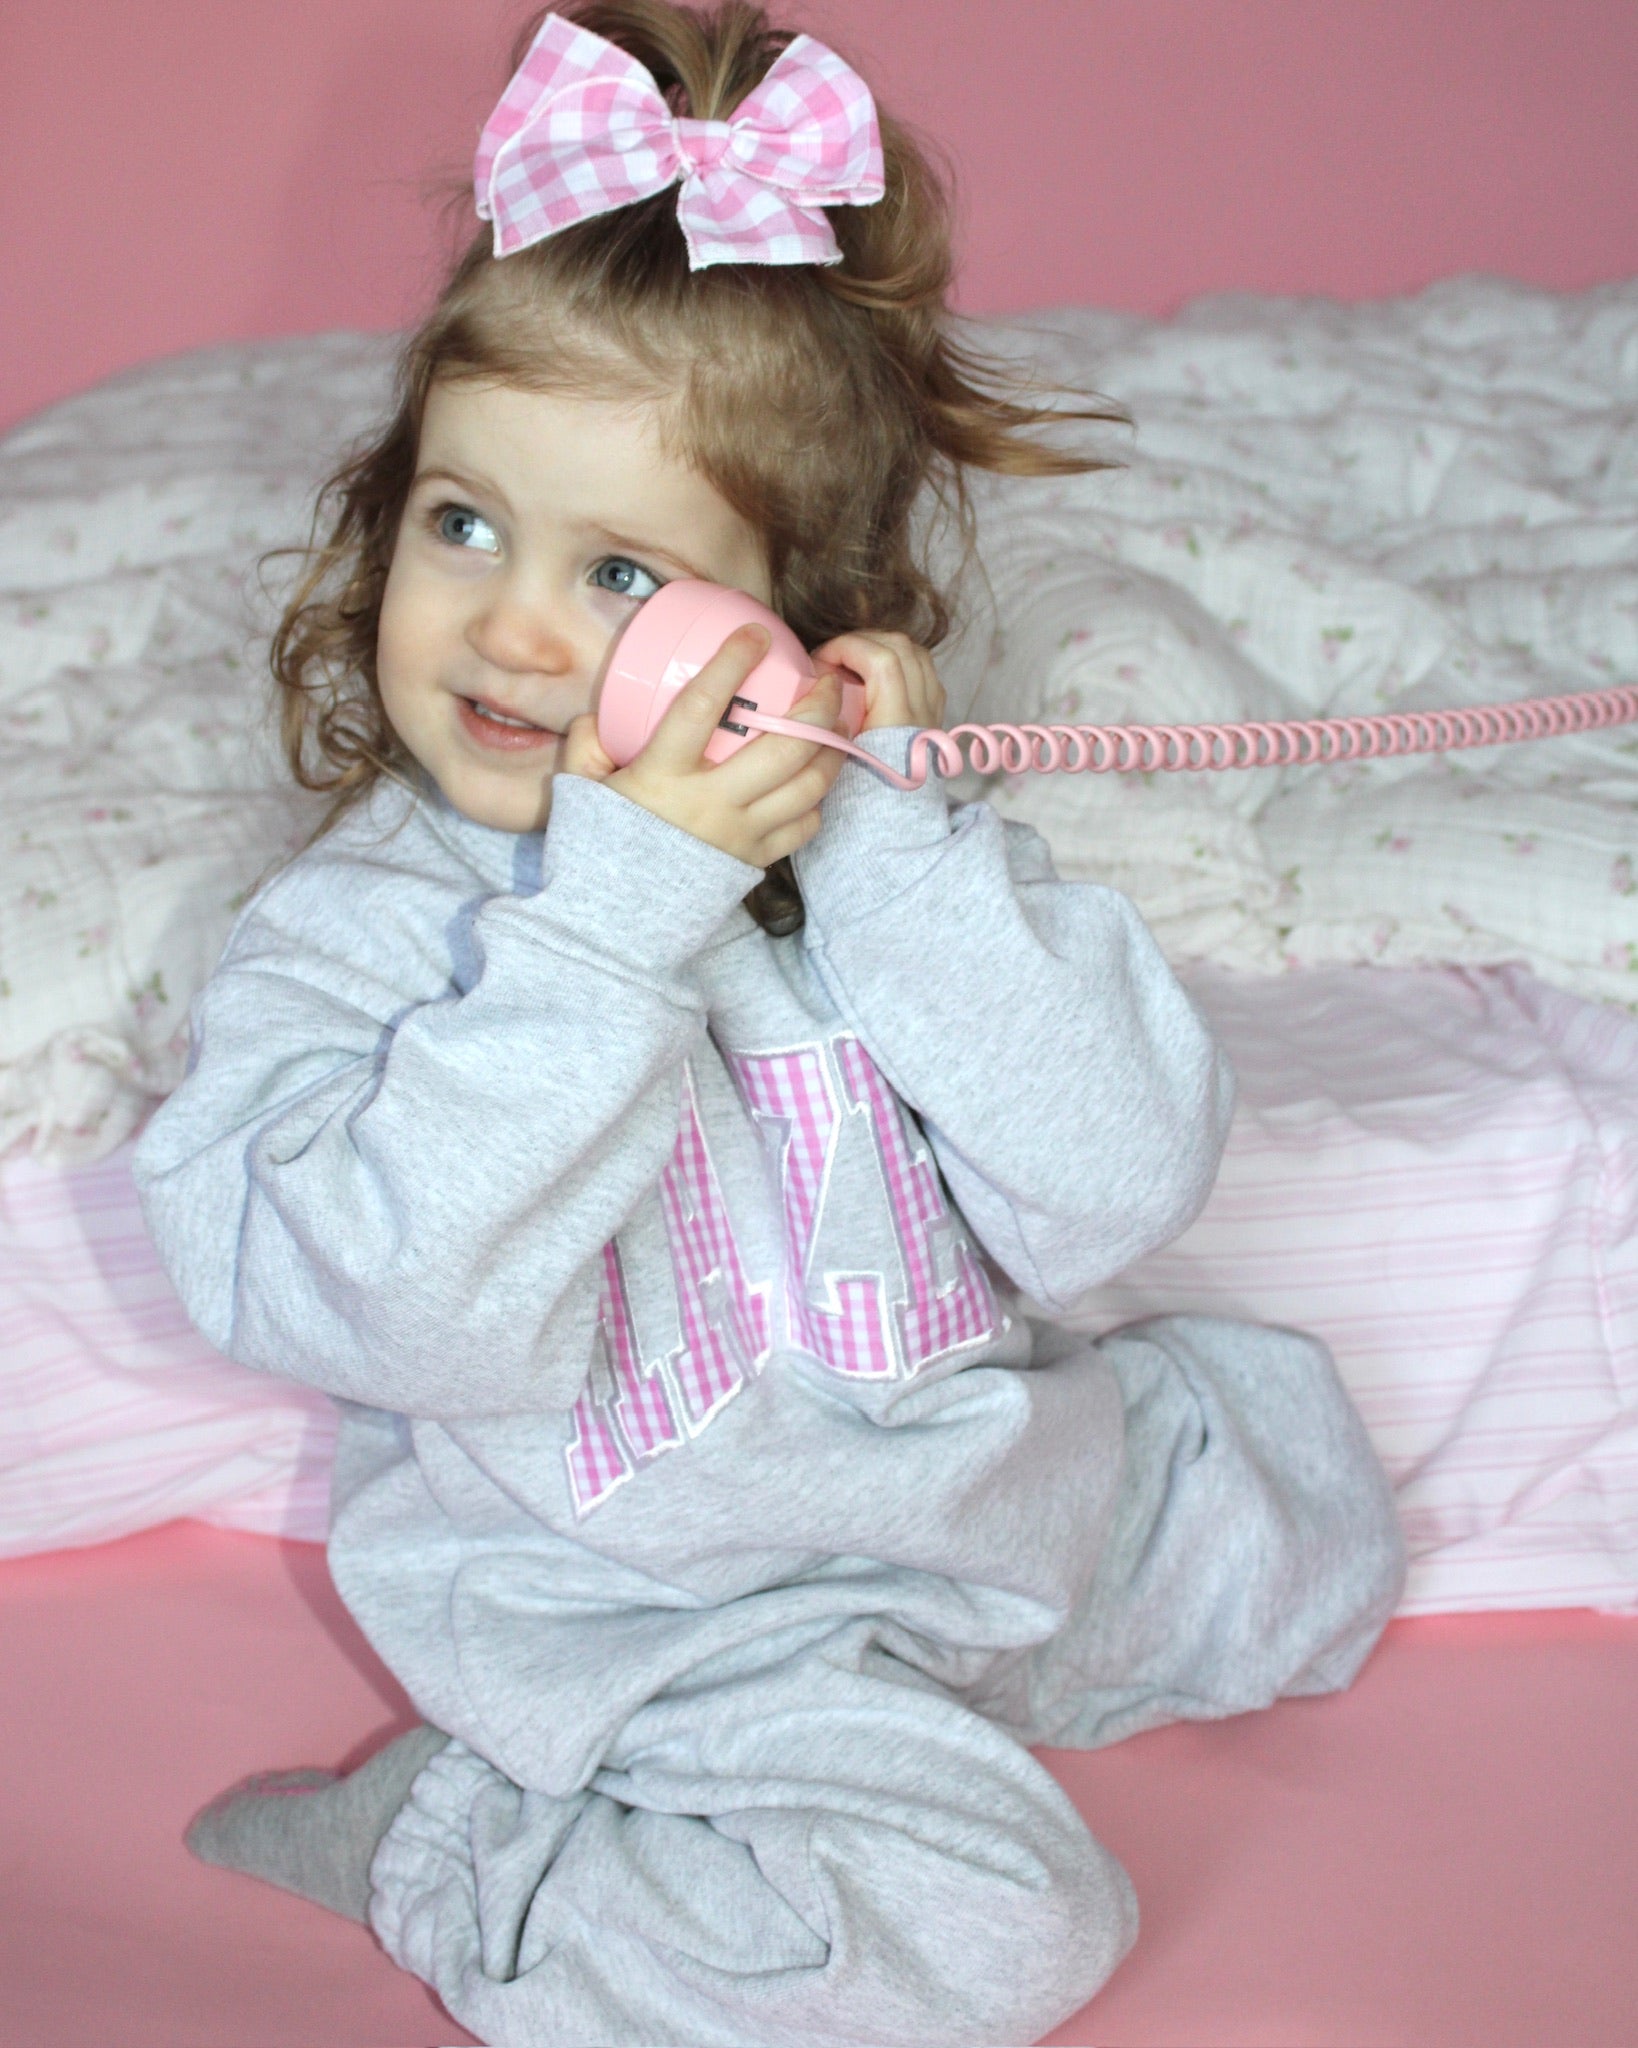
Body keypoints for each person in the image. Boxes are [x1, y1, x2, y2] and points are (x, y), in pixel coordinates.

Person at [133, 5, 1405, 2042]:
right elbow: (386, 1307)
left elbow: (1113, 1192)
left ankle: (954, 1688)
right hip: (662, 1609)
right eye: (463, 523)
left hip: (973, 1513)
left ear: (786, 624)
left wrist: (900, 847)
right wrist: (613, 921)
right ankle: (456, 1842)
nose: (510, 624)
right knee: (1003, 1930)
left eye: (619, 573)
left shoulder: (862, 858)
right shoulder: (357, 943)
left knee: (1304, 1494)